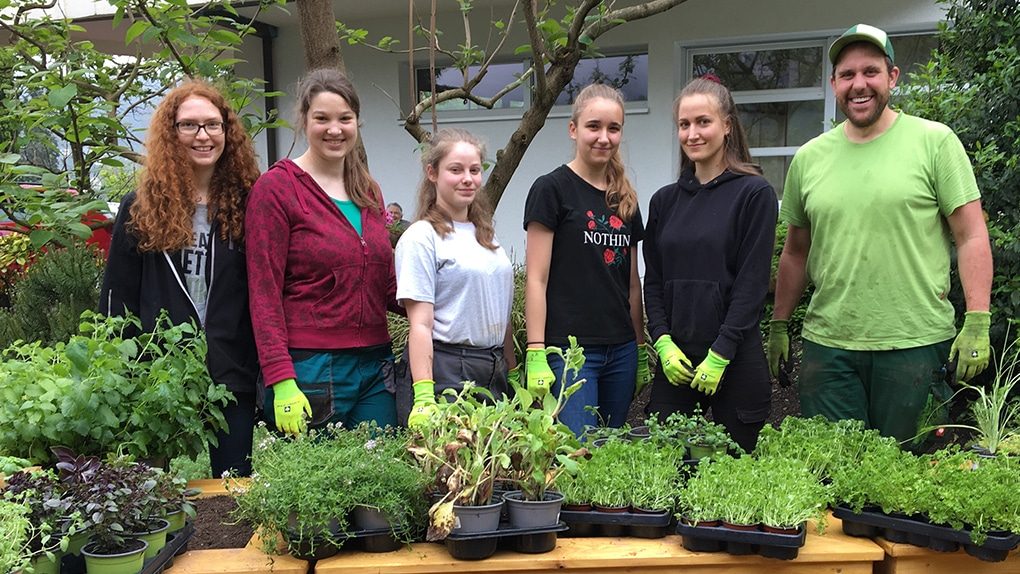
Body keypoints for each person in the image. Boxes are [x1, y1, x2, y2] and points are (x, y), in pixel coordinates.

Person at [768, 24, 993, 443]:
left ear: (892, 77)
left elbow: (971, 235)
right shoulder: (809, 159)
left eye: (870, 72)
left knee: (911, 484)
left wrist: (977, 319)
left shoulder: (935, 142)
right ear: (834, 83)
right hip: (829, 348)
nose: (859, 84)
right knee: (833, 479)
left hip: (916, 344)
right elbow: (796, 253)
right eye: (847, 74)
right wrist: (779, 324)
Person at [100, 80, 260, 477]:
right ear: (171, 134)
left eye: (213, 124)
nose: (203, 135)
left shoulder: (252, 203)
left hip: (232, 368)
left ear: (228, 131)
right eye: (189, 125)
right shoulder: (140, 208)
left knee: (233, 489)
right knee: (149, 487)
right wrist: (123, 370)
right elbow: (117, 298)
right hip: (159, 374)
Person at [246, 68, 399, 436]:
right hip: (311, 366)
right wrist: (280, 377)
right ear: (304, 120)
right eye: (322, 118)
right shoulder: (277, 189)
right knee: (312, 484)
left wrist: (444, 303)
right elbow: (263, 293)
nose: (335, 129)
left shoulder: (368, 190)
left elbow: (386, 282)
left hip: (375, 365)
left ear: (357, 123)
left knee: (382, 476)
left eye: (345, 119)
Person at [642, 77, 777, 453]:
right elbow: (653, 282)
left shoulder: (754, 194)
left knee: (734, 478)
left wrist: (721, 353)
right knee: (667, 470)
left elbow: (751, 284)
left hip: (733, 360)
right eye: (684, 125)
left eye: (704, 122)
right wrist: (663, 341)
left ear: (727, 126)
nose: (692, 133)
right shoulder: (665, 201)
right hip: (678, 362)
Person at [523, 83, 650, 435]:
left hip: (621, 351)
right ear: (573, 128)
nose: (604, 137)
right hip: (570, 353)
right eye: (594, 126)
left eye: (614, 128)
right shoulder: (551, 189)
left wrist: (639, 348)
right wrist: (535, 350)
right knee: (577, 453)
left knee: (609, 453)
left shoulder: (625, 197)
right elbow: (537, 278)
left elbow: (632, 283)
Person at [394, 129, 516, 426]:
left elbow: (502, 314)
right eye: (456, 170)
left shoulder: (487, 237)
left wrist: (512, 371)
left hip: (493, 367)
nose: (468, 178)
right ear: (432, 173)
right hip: (448, 370)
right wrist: (423, 395)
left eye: (475, 170)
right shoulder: (421, 238)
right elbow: (420, 324)